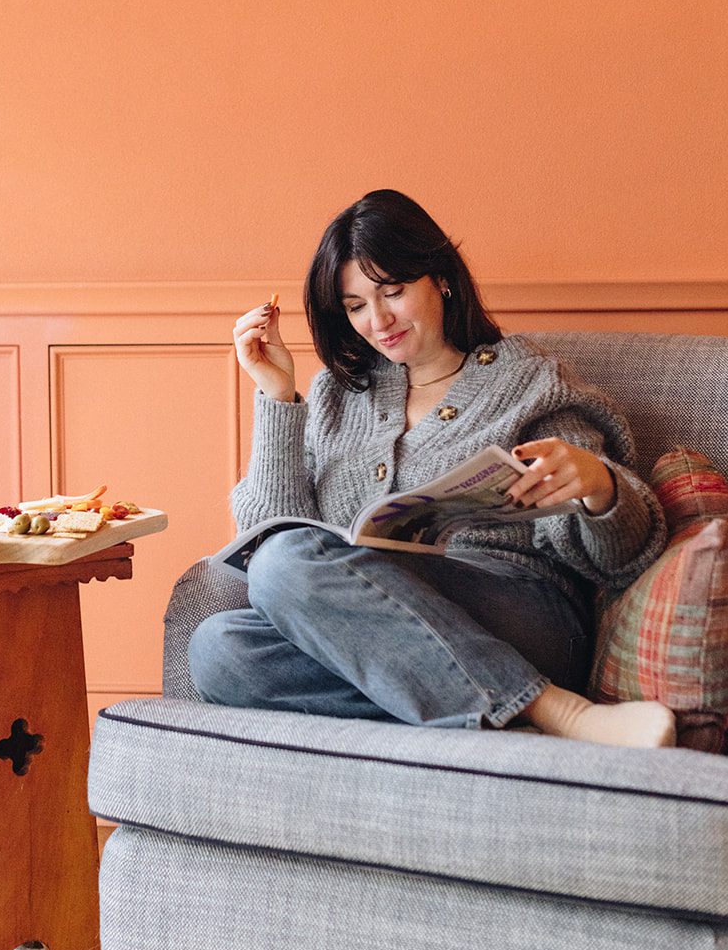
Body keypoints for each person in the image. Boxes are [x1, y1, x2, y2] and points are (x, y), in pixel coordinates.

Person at [189, 190, 675, 748]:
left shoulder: (528, 383)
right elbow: (272, 545)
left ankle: (562, 711)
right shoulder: (337, 398)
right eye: (355, 306)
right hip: (388, 630)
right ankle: (486, 707)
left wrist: (600, 488)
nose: (378, 320)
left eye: (392, 292)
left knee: (282, 565)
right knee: (220, 649)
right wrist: (277, 397)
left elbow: (623, 557)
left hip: (522, 615)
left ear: (439, 277)